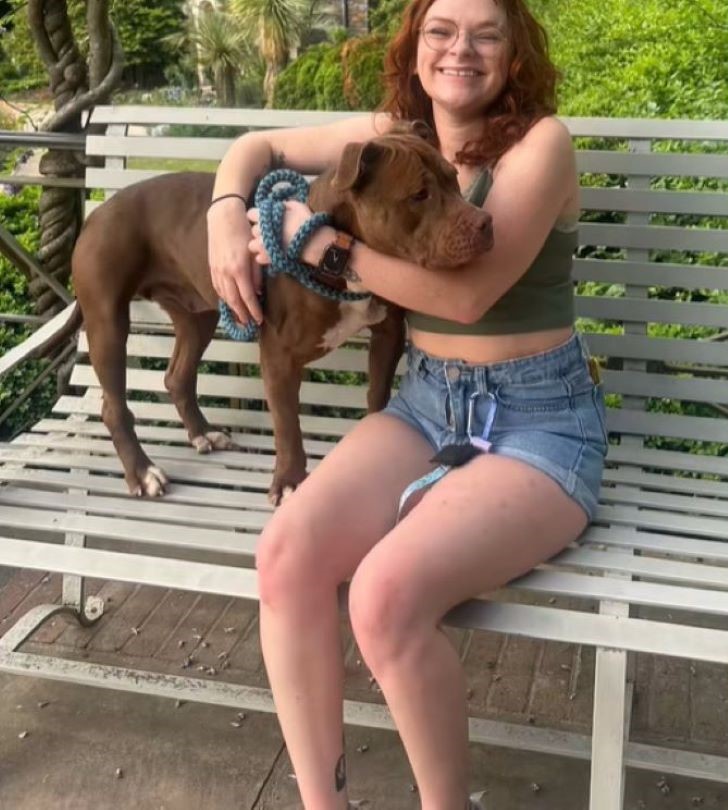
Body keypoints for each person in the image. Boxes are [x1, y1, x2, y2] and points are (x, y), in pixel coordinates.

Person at [207, 0, 607, 807]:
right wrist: (227, 213)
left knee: (383, 597)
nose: (462, 49)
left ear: (515, 49)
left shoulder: (541, 145)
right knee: (285, 557)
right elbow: (259, 147)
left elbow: (468, 297)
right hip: (427, 406)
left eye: (486, 32)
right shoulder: (396, 132)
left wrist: (318, 241)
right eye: (441, 31)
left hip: (538, 422)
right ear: (415, 45)